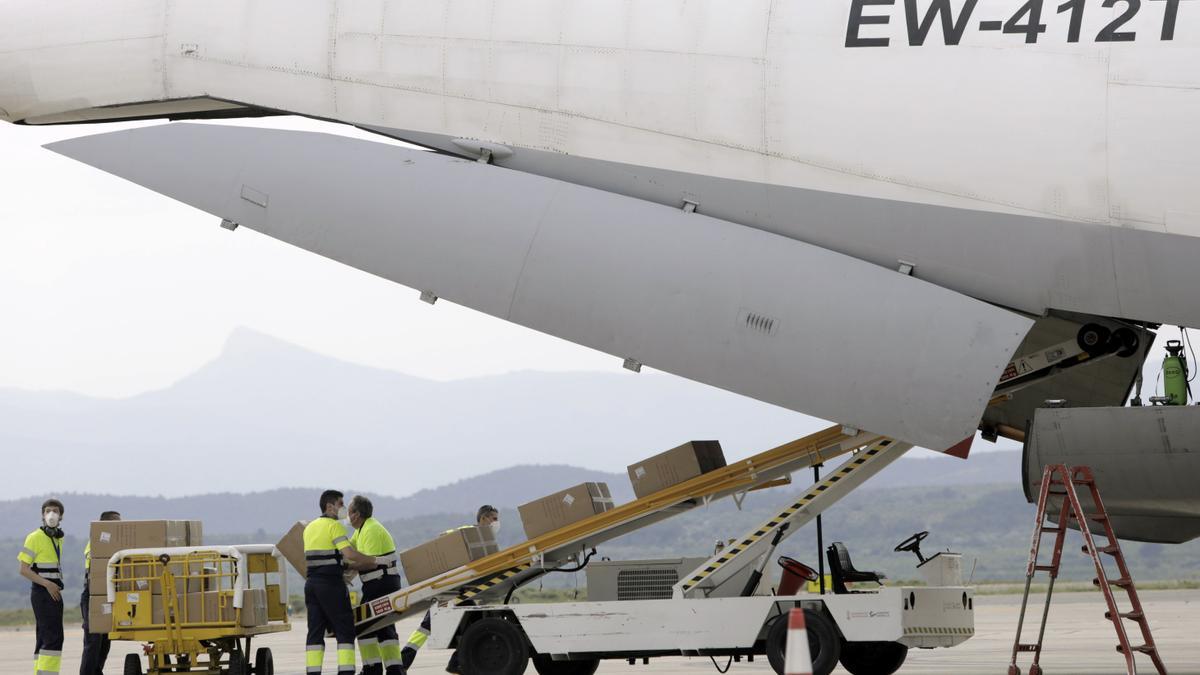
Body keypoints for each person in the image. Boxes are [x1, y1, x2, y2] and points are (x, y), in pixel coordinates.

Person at [401, 505, 501, 674]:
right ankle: (402, 663)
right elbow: (444, 537)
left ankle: (456, 663)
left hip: (462, 592)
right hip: (449, 590)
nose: (497, 523)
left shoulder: (486, 541)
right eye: (494, 518)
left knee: (474, 624)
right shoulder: (469, 532)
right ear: (483, 518)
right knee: (427, 627)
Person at [305, 490, 376, 675]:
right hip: (331, 585)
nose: (343, 509)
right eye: (341, 504)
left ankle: (313, 672)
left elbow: (325, 557)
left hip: (311, 584)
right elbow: (350, 554)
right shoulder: (334, 526)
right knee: (345, 630)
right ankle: (346, 672)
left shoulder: (310, 527)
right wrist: (373, 560)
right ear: (330, 506)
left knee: (315, 632)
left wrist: (341, 564)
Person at [347, 496, 403, 675]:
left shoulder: (371, 529)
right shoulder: (361, 530)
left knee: (366, 625)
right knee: (383, 626)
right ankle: (393, 669)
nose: (347, 516)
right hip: (376, 584)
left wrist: (347, 566)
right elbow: (350, 550)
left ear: (356, 514)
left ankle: (374, 669)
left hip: (382, 583)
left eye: (349, 511)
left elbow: (369, 563)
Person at [18, 499, 66, 675]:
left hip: (52, 591)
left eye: (55, 511)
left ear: (61, 516)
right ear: (42, 515)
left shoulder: (57, 538)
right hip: (43, 592)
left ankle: (40, 673)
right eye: (47, 511)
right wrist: (47, 584)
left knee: (44, 638)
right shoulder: (34, 537)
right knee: (54, 638)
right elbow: (23, 569)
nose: (51, 514)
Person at [80, 510, 121, 675]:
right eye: (117, 524)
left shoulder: (115, 545)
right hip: (93, 596)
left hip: (108, 595)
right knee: (94, 641)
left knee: (105, 641)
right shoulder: (97, 542)